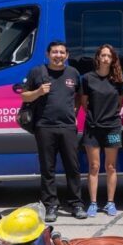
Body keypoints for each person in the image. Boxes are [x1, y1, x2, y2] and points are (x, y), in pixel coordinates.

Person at [21, 40, 86, 222]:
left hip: (67, 127)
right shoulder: (37, 72)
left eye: (62, 52)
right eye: (55, 52)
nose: (58, 55)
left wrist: (74, 111)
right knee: (47, 169)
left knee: (73, 167)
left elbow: (79, 96)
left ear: (67, 55)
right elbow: (24, 95)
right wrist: (39, 92)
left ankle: (76, 203)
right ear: (48, 54)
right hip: (44, 126)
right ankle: (50, 205)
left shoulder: (73, 73)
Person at [80, 44, 123, 217]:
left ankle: (110, 203)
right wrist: (95, 117)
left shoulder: (118, 81)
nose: (106, 58)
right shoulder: (87, 78)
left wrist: (108, 116)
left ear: (113, 59)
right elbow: (84, 103)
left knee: (111, 166)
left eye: (109, 56)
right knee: (94, 166)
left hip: (112, 128)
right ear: (98, 57)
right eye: (103, 55)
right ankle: (92, 203)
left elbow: (119, 104)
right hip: (92, 128)